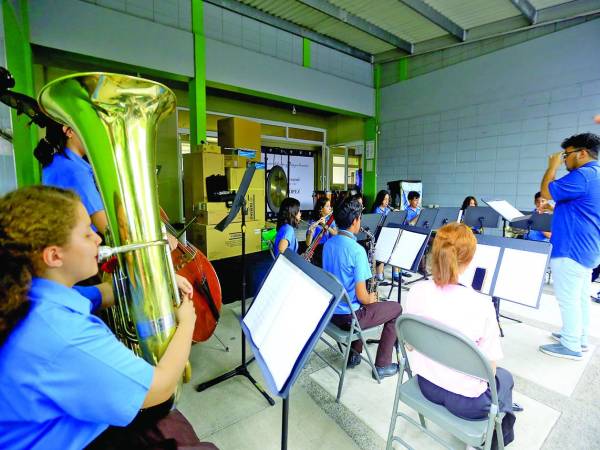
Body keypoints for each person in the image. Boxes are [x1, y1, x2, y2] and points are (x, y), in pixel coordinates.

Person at [0, 185, 217, 450]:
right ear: (54, 255)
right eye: (86, 233)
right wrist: (188, 322)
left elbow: (102, 293)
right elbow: (160, 387)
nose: (97, 238)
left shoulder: (30, 291)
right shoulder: (64, 334)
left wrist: (163, 281)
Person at [404, 223, 516, 448]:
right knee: (505, 378)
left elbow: (409, 345)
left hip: (427, 386)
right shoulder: (481, 304)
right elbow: (490, 370)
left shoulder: (416, 291)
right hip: (468, 404)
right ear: (470, 259)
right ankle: (495, 441)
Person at [323, 198, 402, 379]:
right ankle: (382, 365)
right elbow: (362, 297)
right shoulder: (357, 250)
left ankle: (354, 354)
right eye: (360, 218)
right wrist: (372, 298)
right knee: (396, 309)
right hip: (349, 318)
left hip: (332, 313)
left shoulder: (328, 244)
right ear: (355, 221)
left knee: (364, 307)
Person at [539, 133, 600, 360]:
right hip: (587, 247)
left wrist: (551, 167)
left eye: (566, 155)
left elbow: (546, 191)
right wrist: (555, 209)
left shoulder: (582, 175)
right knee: (580, 296)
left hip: (570, 248)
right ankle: (578, 337)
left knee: (568, 298)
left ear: (582, 153)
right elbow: (583, 209)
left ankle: (571, 345)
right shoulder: (596, 175)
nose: (564, 159)